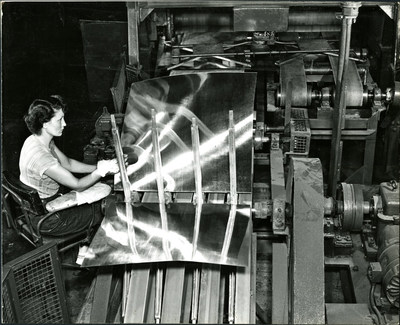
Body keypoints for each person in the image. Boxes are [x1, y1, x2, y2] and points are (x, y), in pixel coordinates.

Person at [19, 95, 119, 236]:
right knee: (109, 207)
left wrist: (101, 167)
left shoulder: (37, 139)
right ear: (45, 123)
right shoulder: (41, 157)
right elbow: (78, 184)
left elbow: (68, 163)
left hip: (47, 204)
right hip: (49, 220)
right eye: (59, 120)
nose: (64, 124)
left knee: (102, 194)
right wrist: (100, 172)